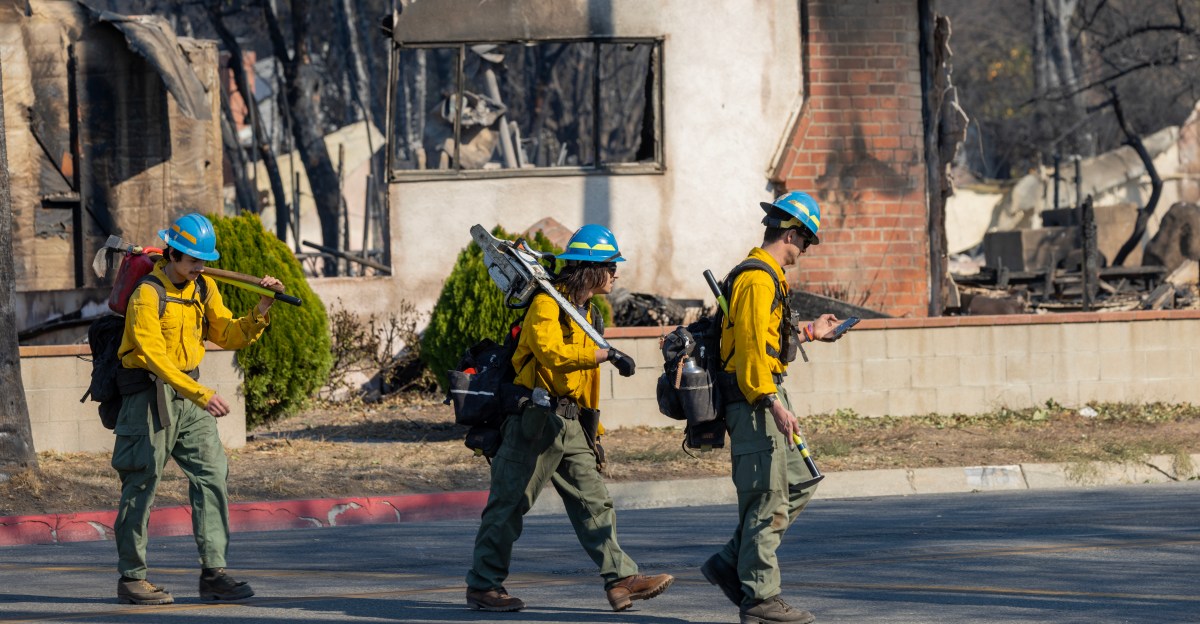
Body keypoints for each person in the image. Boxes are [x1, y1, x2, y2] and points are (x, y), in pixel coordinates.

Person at [465, 224, 674, 613]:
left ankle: (621, 580)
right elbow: (550, 354)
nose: (616, 274)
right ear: (592, 269)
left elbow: (586, 382)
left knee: (594, 502)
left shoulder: (588, 312)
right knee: (509, 505)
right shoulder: (547, 304)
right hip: (533, 421)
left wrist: (595, 433)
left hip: (572, 423)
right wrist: (603, 354)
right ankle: (483, 585)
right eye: (611, 266)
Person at [112, 213, 281, 605]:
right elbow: (154, 357)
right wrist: (201, 394)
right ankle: (132, 579)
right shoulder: (147, 295)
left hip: (188, 395)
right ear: (172, 254)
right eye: (193, 261)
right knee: (141, 484)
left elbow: (228, 333)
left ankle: (214, 575)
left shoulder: (203, 287)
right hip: (149, 397)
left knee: (212, 474)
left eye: (204, 261)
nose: (200, 268)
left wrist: (262, 308)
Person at [701, 191, 844, 624]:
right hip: (756, 400)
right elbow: (748, 350)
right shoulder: (757, 279)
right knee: (767, 497)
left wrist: (811, 332)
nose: (806, 250)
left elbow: (766, 341)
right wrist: (771, 403)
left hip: (768, 392)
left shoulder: (770, 278)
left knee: (800, 481)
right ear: (790, 234)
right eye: (806, 240)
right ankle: (761, 599)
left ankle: (730, 562)